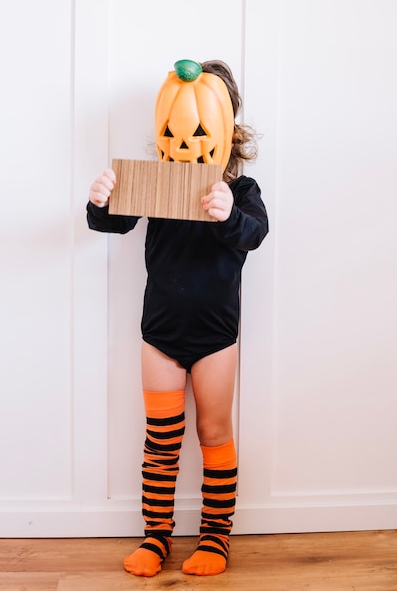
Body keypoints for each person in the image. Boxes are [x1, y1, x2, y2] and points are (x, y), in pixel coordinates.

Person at [87, 59, 268, 577]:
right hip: (160, 335)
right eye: (172, 131)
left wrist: (227, 211)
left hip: (216, 338)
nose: (186, 141)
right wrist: (100, 202)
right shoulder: (157, 185)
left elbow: (253, 235)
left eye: (200, 131)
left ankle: (215, 539)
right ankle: (156, 538)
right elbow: (112, 221)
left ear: (227, 131)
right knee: (161, 442)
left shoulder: (243, 191)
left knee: (214, 435)